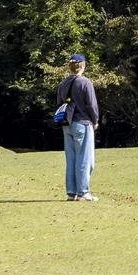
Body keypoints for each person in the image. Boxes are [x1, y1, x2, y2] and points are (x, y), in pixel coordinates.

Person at [55, 53, 100, 202]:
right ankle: (83, 192)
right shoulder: (85, 83)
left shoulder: (63, 84)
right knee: (85, 159)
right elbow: (92, 105)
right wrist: (96, 121)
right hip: (83, 123)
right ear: (83, 66)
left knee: (71, 159)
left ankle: (71, 192)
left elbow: (59, 103)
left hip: (67, 124)